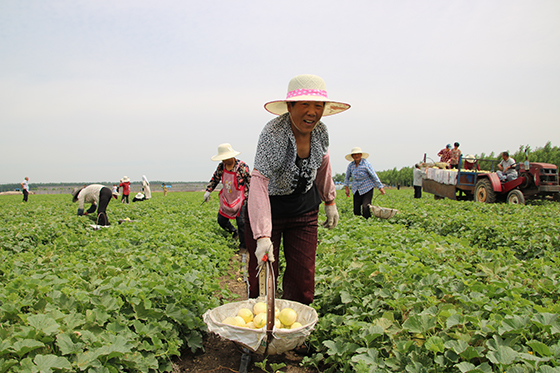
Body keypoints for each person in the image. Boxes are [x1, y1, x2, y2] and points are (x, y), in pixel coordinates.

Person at [245, 74, 350, 305]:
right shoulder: (273, 134)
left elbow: (324, 165)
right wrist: (262, 235)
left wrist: (330, 201)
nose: (312, 112)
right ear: (290, 106)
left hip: (304, 210)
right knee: (263, 273)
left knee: (302, 276)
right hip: (269, 208)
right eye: (305, 104)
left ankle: (294, 333)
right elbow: (259, 181)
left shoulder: (321, 132)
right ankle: (260, 328)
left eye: (318, 105)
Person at [205, 143, 251, 249]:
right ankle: (234, 232)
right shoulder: (222, 166)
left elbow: (250, 182)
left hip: (242, 198)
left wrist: (253, 198)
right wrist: (208, 191)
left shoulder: (242, 167)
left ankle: (244, 247)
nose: (224, 160)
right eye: (222, 159)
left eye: (225, 158)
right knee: (221, 220)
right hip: (228, 197)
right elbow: (215, 178)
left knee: (242, 223)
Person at [344, 147, 386, 218]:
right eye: (354, 154)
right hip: (356, 189)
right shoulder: (351, 165)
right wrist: (346, 188)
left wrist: (380, 187)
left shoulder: (366, 164)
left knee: (365, 207)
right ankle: (358, 222)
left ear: (361, 155)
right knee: (356, 209)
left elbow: (373, 175)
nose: (356, 156)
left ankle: (367, 221)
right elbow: (347, 177)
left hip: (367, 188)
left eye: (358, 154)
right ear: (352, 156)